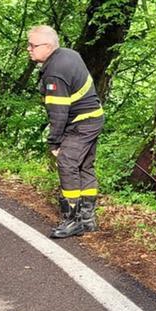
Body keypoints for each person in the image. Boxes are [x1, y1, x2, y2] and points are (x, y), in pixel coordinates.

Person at [27, 25, 104, 239]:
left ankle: (72, 220)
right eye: (29, 44)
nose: (29, 49)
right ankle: (88, 219)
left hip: (81, 123)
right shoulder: (69, 55)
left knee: (67, 163)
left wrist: (54, 144)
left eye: (33, 45)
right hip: (93, 117)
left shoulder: (54, 73)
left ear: (48, 46)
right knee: (84, 166)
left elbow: (58, 113)